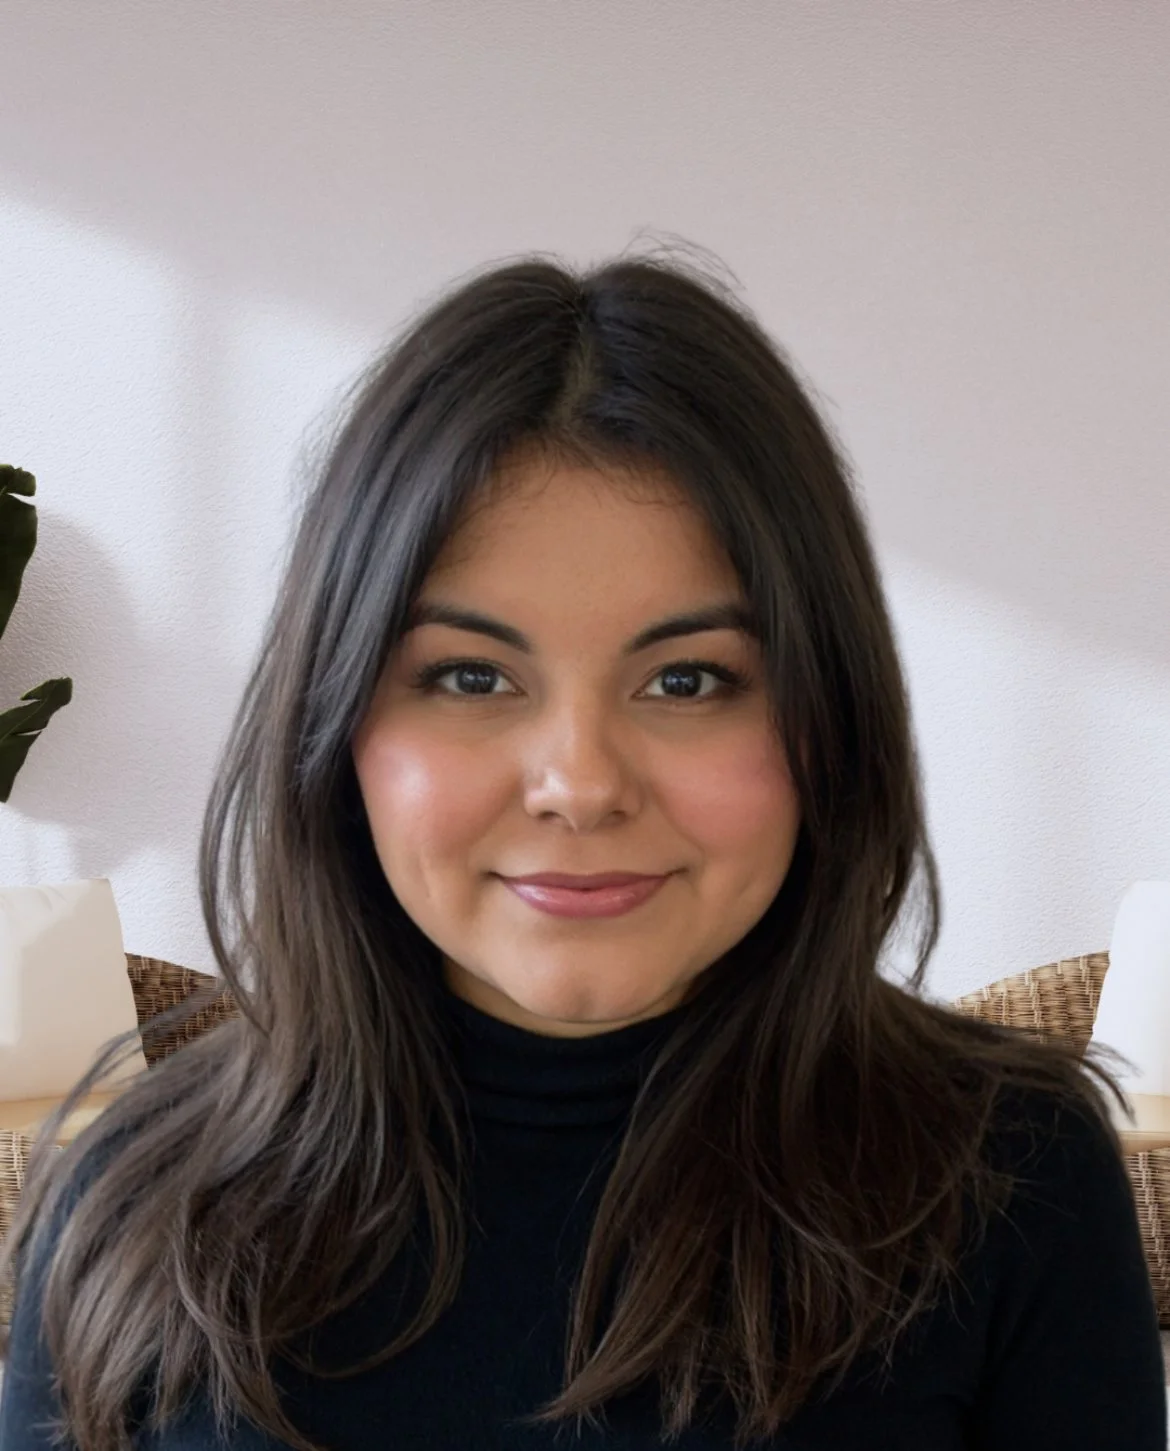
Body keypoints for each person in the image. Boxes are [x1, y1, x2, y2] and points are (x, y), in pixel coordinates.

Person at [0, 246, 1164, 1450]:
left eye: (688, 677)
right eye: (469, 674)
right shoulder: (132, 1200)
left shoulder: (1014, 1183)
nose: (582, 783)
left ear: (829, 715)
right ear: (338, 721)